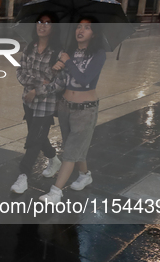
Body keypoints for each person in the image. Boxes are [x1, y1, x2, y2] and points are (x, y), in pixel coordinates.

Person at [39, 17, 106, 204]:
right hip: (65, 107)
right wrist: (55, 71)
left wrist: (67, 62)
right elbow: (62, 81)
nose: (81, 30)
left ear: (94, 34)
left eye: (87, 28)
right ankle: (84, 175)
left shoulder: (99, 54)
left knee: (70, 150)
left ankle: (56, 192)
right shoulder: (69, 52)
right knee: (75, 146)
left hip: (85, 109)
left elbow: (84, 79)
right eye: (78, 26)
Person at [11, 12, 66, 194]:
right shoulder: (29, 48)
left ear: (53, 28)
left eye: (47, 23)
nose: (42, 25)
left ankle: (23, 175)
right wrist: (37, 84)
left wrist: (39, 90)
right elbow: (20, 72)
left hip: (46, 104)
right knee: (38, 136)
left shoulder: (58, 53)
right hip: (28, 100)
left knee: (34, 139)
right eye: (40, 22)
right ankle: (53, 158)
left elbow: (59, 83)